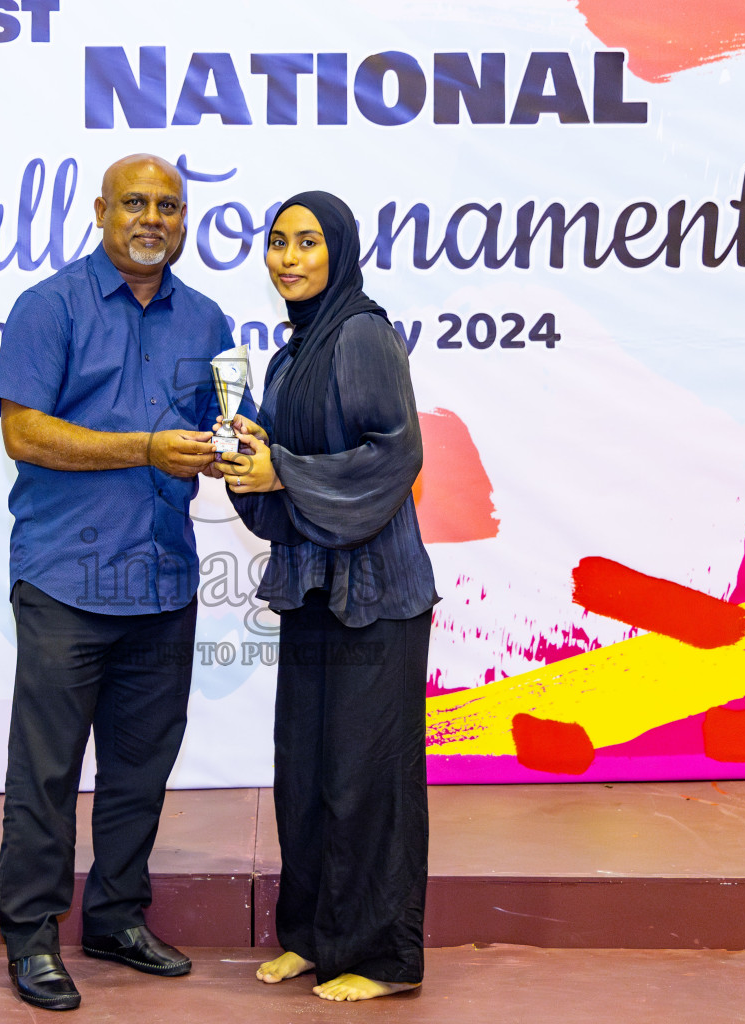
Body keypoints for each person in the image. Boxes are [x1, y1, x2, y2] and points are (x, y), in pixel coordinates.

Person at [0, 153, 232, 1012]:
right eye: (135, 202)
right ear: (100, 212)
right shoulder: (47, 308)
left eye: (169, 205)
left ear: (185, 221)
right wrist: (146, 448)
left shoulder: (208, 322)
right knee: (46, 773)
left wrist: (248, 450)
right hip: (64, 581)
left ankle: (117, 917)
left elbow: (223, 432)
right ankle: (30, 938)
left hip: (164, 581)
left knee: (140, 769)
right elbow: (25, 434)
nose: (152, 217)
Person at [221, 191, 437, 1002]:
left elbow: (395, 457)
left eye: (307, 243)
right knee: (306, 771)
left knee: (365, 778)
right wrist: (251, 464)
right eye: (277, 243)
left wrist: (289, 470)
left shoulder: (361, 333)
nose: (288, 258)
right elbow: (283, 495)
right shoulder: (286, 356)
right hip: (312, 588)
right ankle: (315, 936)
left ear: (338, 251)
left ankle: (381, 957)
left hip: (378, 596)